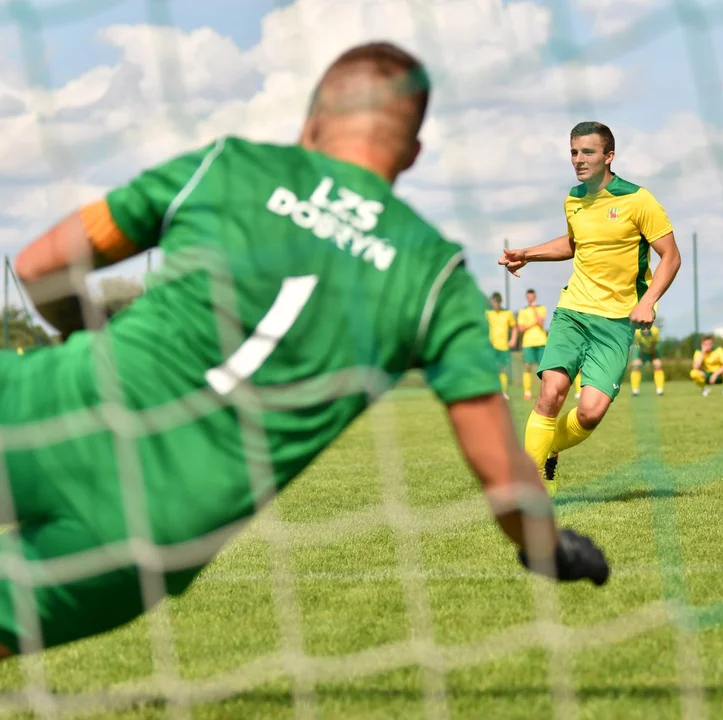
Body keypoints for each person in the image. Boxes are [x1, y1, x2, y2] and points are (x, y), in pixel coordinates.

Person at [0, 42, 608, 657]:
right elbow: (501, 471)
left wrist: (90, 332)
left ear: (312, 119)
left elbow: (39, 265)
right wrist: (544, 546)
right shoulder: (433, 273)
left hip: (38, 402)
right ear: (413, 152)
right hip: (151, 524)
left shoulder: (225, 165)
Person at [500, 121, 681, 495]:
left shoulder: (638, 200)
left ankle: (547, 447)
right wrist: (528, 254)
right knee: (551, 391)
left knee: (590, 413)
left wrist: (648, 302)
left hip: (616, 321)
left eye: (587, 152)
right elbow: (575, 243)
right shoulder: (573, 198)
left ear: (609, 156)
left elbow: (671, 257)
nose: (578, 160)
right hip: (573, 311)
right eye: (573, 152)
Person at [515, 289, 548, 400]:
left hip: (541, 341)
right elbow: (520, 328)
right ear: (526, 297)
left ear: (535, 297)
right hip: (528, 342)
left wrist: (534, 309)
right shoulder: (523, 311)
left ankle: (545, 392)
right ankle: (527, 392)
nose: (530, 299)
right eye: (528, 297)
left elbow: (541, 323)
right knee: (527, 366)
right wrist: (533, 323)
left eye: (532, 297)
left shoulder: (541, 308)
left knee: (543, 369)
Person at [486, 292, 516, 398]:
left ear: (500, 302)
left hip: (503, 346)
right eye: (494, 302)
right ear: (491, 302)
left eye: (498, 302)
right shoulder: (488, 313)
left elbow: (514, 327)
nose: (496, 304)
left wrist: (513, 339)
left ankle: (503, 392)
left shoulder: (507, 313)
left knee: (502, 369)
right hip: (491, 346)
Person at [630, 324, 665, 396]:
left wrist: (656, 358)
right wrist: (636, 358)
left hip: (652, 352)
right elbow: (636, 346)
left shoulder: (655, 331)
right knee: (636, 366)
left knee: (658, 365)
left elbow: (657, 345)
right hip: (642, 354)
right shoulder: (637, 332)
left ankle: (660, 390)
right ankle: (635, 390)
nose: (645, 329)